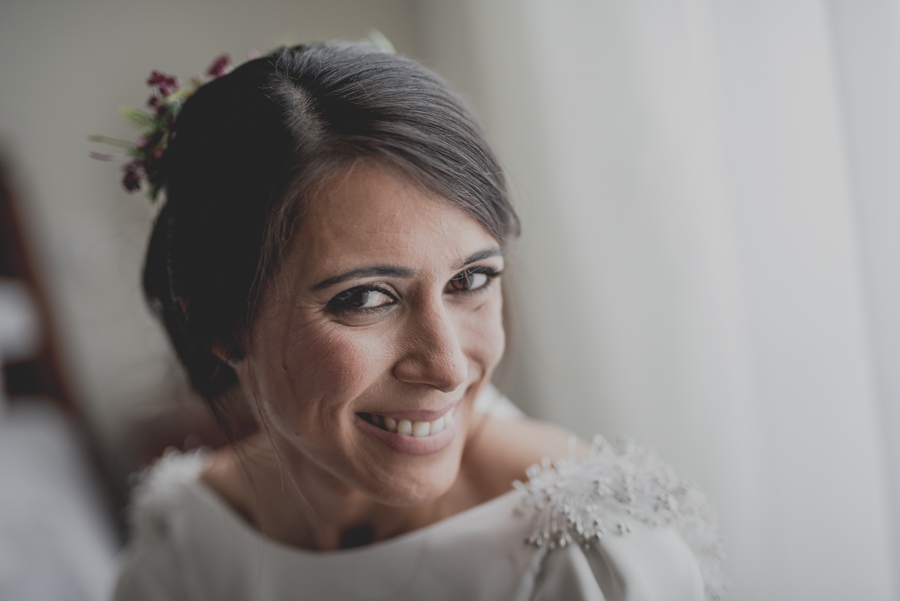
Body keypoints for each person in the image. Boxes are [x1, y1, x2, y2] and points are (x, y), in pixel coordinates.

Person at [112, 42, 725, 600]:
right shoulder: (188, 538)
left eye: (472, 280)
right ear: (219, 323)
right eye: (366, 299)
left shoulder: (590, 553)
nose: (448, 366)